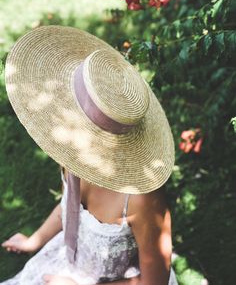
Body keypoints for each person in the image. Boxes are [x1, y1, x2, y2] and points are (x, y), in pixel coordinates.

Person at [1, 25, 178, 285]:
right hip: (70, 266)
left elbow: (155, 283)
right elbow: (68, 207)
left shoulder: (142, 202)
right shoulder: (75, 155)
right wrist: (34, 240)